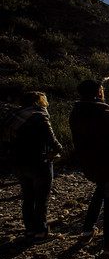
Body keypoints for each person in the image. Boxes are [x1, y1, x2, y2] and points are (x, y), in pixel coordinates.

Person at [69, 79, 109, 253]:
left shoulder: (76, 112)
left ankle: (87, 230)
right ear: (98, 92)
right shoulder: (105, 112)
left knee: (100, 193)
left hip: (91, 162)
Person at [8, 91, 63, 241]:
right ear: (38, 102)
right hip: (39, 162)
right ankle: (41, 230)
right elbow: (53, 142)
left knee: (27, 196)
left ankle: (29, 229)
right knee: (41, 198)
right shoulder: (40, 117)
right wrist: (58, 151)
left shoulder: (15, 116)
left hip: (18, 163)